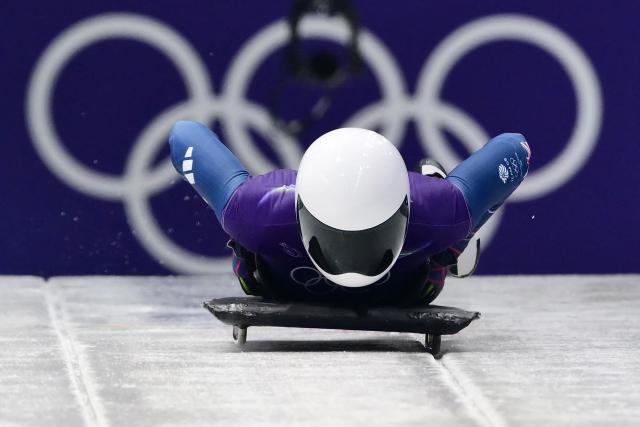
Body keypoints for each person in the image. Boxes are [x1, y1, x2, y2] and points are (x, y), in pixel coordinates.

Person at [169, 121, 531, 305]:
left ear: (403, 211)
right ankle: (451, 246)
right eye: (336, 236)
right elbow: (516, 146)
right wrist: (466, 217)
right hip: (402, 288)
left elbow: (183, 132)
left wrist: (462, 223)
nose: (351, 261)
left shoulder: (440, 210)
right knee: (456, 222)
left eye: (369, 237)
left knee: (455, 223)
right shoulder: (254, 209)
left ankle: (451, 245)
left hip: (298, 285)